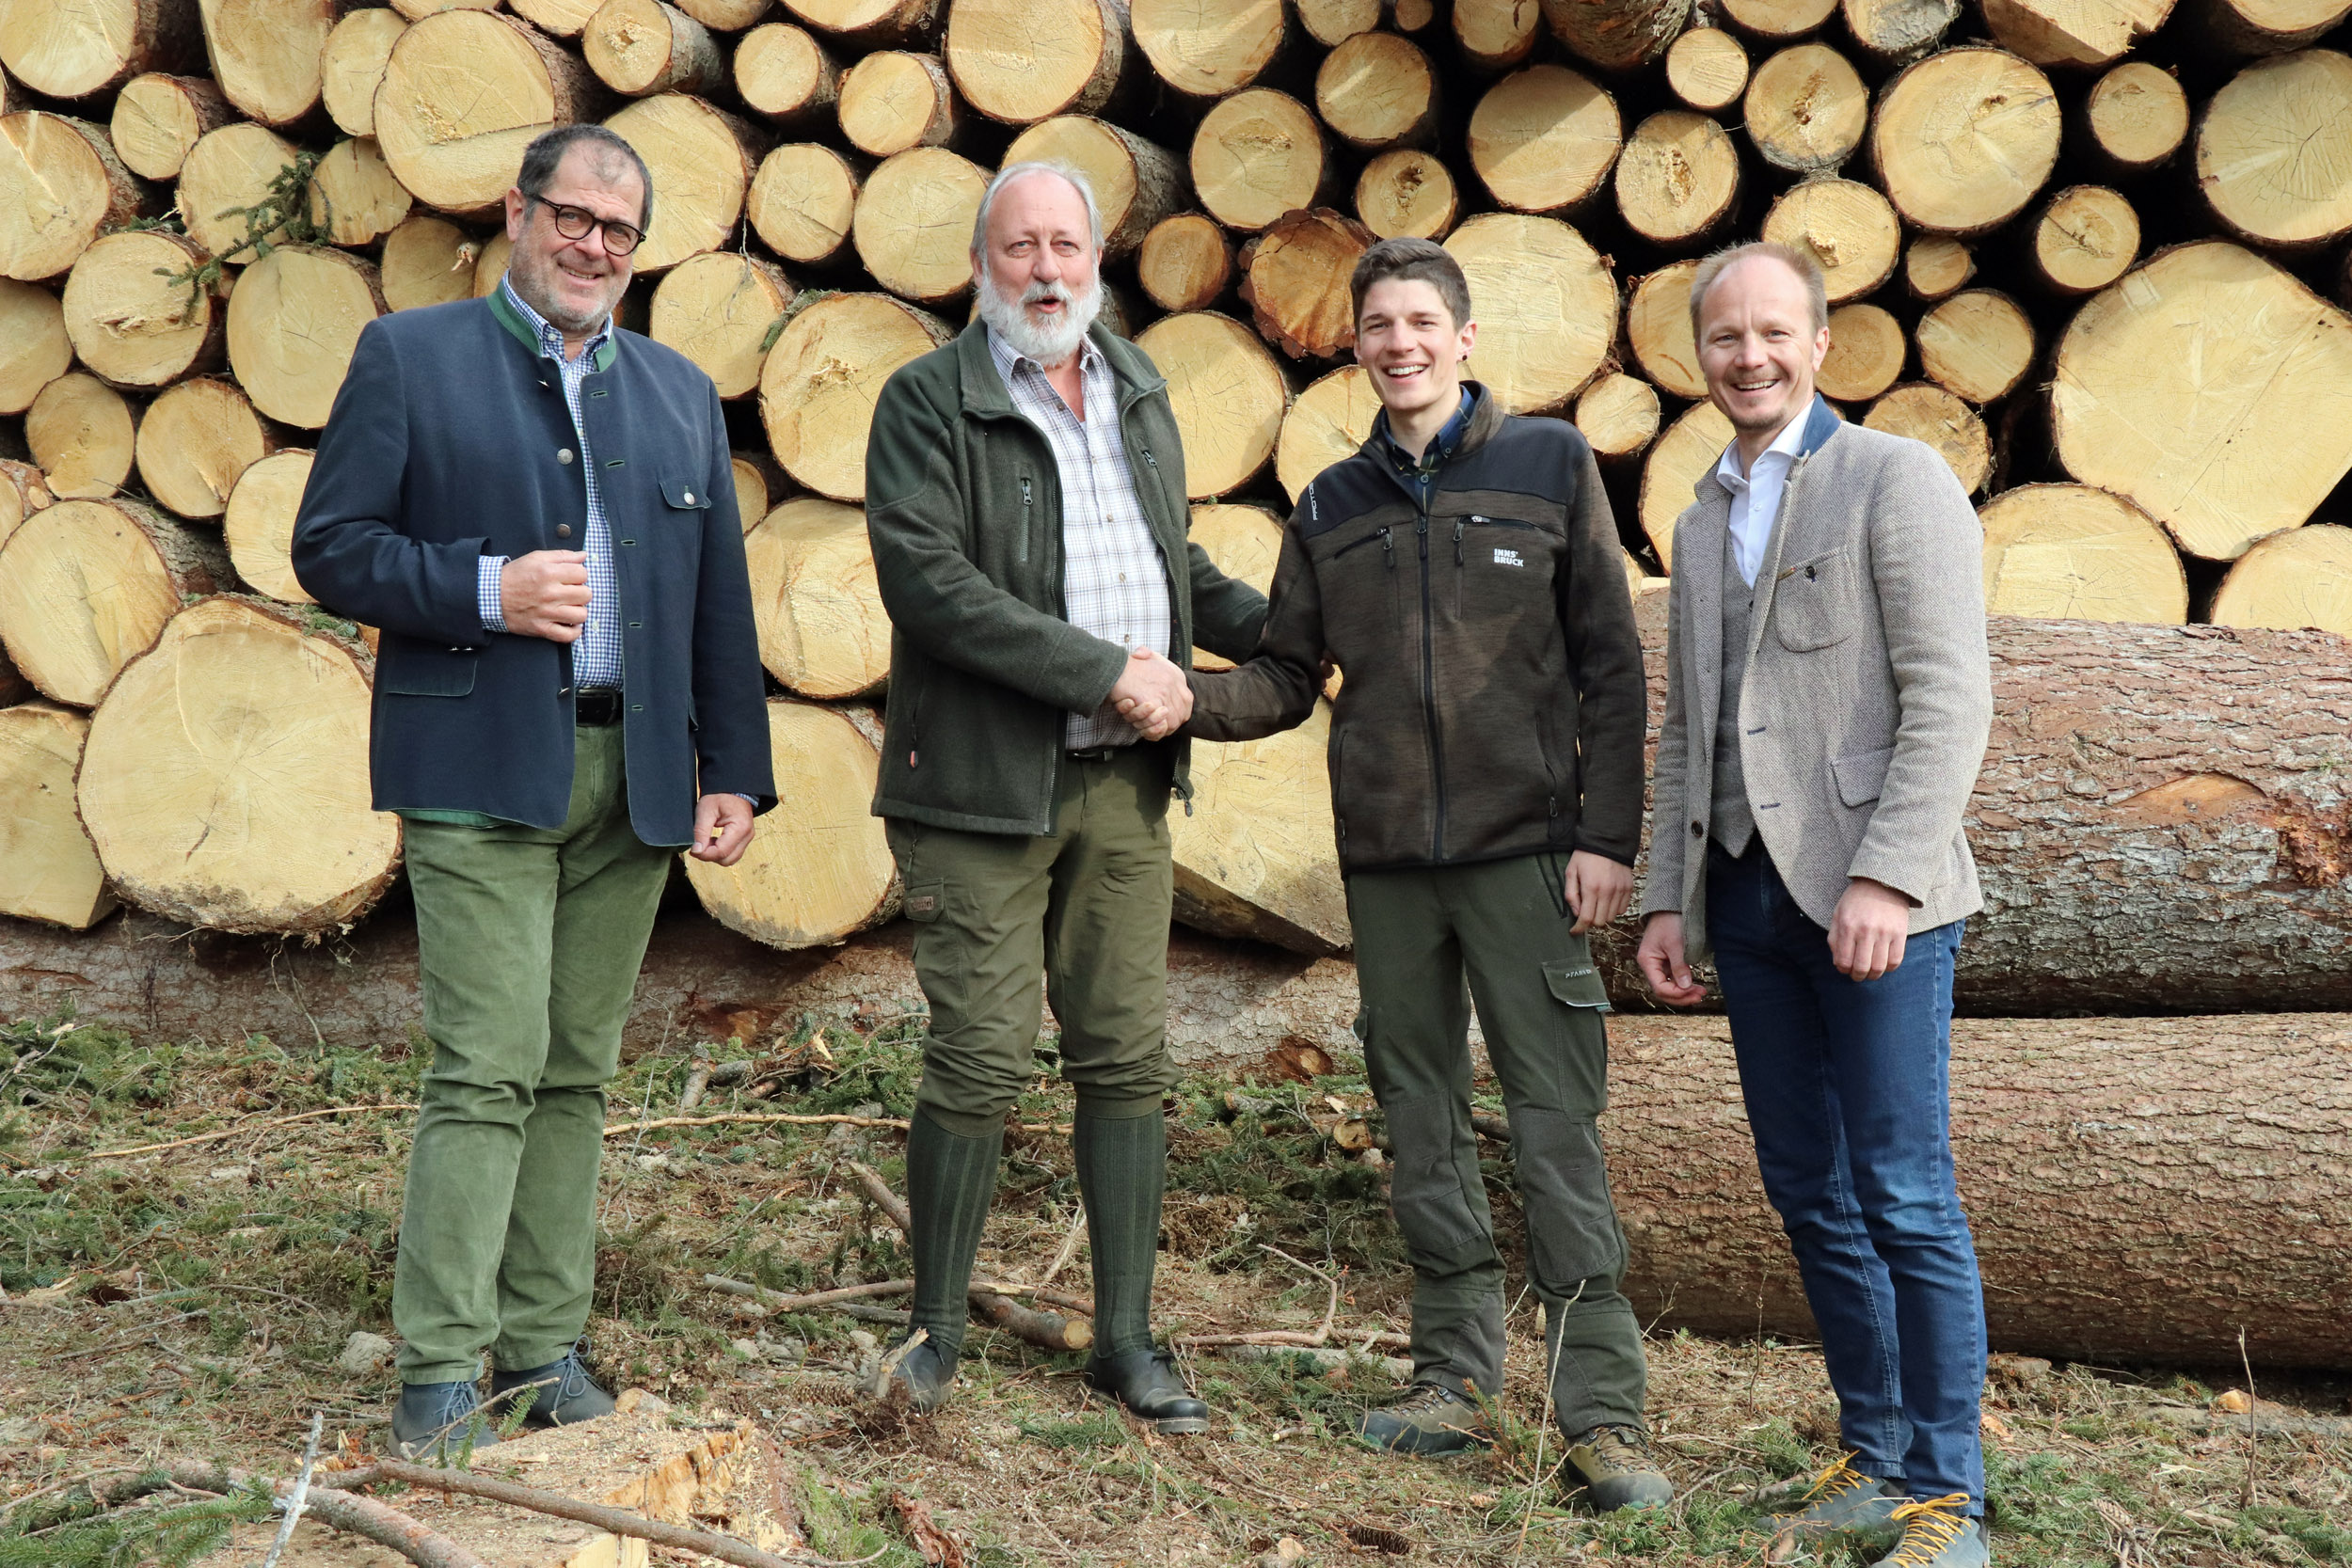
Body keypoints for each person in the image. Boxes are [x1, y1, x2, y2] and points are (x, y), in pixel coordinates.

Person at [292, 125, 772, 1458]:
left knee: (576, 1074)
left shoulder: (679, 390)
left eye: (620, 231)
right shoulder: (411, 357)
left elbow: (715, 601)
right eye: (573, 217)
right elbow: (328, 547)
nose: (593, 247)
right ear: (519, 210)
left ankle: (544, 1351)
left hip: (635, 779)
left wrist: (735, 764)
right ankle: (439, 1374)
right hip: (479, 765)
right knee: (486, 1068)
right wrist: (484, 591)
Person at [1172, 238, 1668, 1510]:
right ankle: (1453, 1379)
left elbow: (1611, 666)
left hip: (1526, 857)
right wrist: (1178, 700)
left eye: (1419, 322)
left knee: (1556, 1123)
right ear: (1355, 348)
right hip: (1389, 867)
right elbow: (1287, 677)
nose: (1399, 342)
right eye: (1377, 325)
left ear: (1464, 340)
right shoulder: (1330, 505)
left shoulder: (1550, 464)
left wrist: (1609, 838)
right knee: (1421, 1120)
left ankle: (1601, 1415)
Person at [858, 162, 1269, 1433]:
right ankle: (932, 1333)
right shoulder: (928, 401)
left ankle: (1127, 1340)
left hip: (1121, 792)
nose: (1046, 269)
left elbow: (1168, 556)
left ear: (1101, 256)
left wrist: (1283, 628)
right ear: (982, 264)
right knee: (979, 1058)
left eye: (1067, 246)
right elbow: (932, 586)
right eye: (1020, 246)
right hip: (983, 790)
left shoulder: (1139, 385)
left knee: (1126, 1061)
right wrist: (1107, 674)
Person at [1634, 240, 1994, 1568]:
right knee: (1810, 1188)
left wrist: (1889, 874)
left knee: (1904, 1190)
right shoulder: (1694, 512)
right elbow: (1689, 729)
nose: (1750, 357)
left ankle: (1949, 1500)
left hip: (1876, 900)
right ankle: (1876, 1450)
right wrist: (1669, 895)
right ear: (1701, 354)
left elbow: (1953, 696)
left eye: (1774, 334)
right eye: (1725, 338)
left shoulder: (1894, 480)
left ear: (1821, 344)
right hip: (1745, 901)